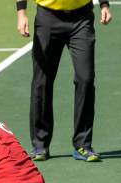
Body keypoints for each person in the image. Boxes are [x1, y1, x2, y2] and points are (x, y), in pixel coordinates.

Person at [16, 0, 112, 162]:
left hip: (82, 18)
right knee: (42, 82)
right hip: (47, 18)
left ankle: (83, 145)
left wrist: (104, 4)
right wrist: (21, 13)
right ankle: (40, 145)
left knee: (86, 79)